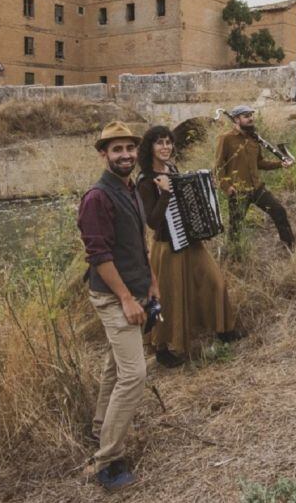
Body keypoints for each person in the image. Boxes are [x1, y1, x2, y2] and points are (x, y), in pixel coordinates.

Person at [76, 121, 159, 491]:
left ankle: (100, 428)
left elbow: (139, 243)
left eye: (129, 148)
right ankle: (106, 461)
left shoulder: (130, 188)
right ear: (103, 154)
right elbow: (99, 255)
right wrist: (126, 298)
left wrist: (152, 283)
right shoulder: (97, 197)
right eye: (116, 149)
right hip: (113, 296)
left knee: (115, 364)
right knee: (134, 374)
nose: (124, 155)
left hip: (135, 288)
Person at [136, 125, 238, 367]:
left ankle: (224, 329)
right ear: (150, 147)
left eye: (169, 142)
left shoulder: (172, 168)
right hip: (167, 246)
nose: (165, 147)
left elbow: (186, 201)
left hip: (190, 239)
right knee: (170, 298)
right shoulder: (145, 180)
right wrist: (164, 194)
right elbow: (152, 221)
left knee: (214, 281)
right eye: (159, 143)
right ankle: (163, 348)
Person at [215, 104, 296, 249]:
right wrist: (227, 188)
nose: (250, 118)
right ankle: (234, 256)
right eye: (246, 116)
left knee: (279, 211)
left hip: (257, 188)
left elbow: (260, 162)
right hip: (238, 191)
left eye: (251, 115)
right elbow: (218, 167)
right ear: (236, 119)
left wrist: (279, 164)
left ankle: (289, 246)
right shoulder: (226, 139)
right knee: (236, 227)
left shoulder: (254, 139)